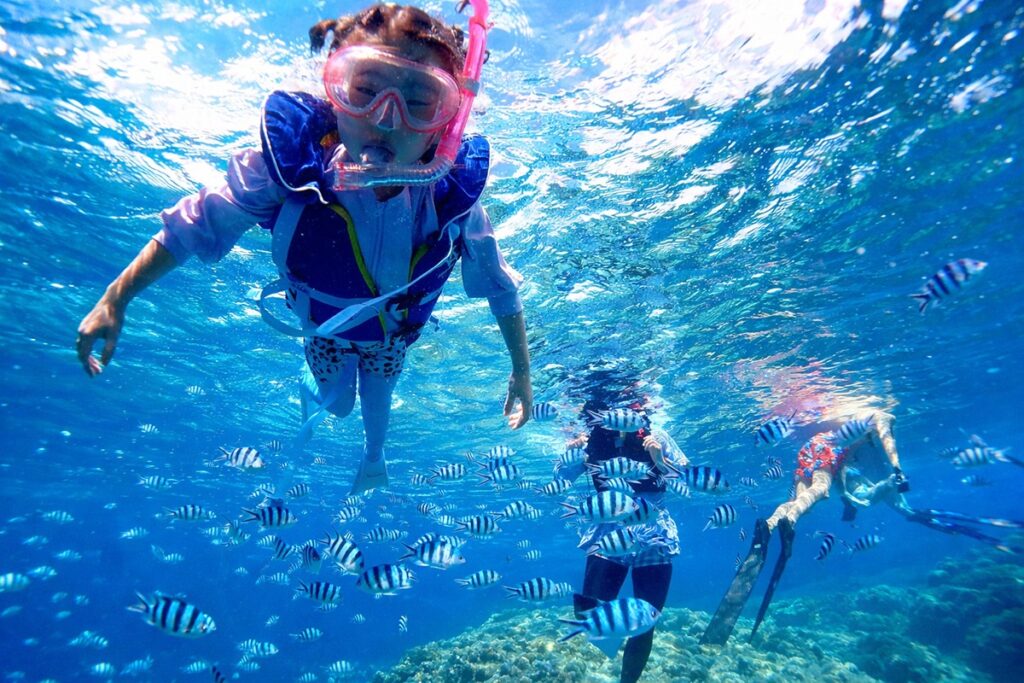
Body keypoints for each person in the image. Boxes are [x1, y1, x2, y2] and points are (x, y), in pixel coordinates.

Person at [74, 2, 532, 494]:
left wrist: (522, 371)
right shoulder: (289, 175)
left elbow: (500, 286)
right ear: (335, 95)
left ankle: (373, 459)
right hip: (323, 333)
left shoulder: (451, 203)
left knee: (378, 404)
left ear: (448, 122)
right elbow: (196, 223)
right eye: (365, 90)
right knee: (339, 405)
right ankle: (319, 394)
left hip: (390, 339)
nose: (385, 119)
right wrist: (117, 296)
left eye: (419, 101)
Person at [702, 409, 907, 646]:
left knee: (801, 501)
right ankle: (791, 519)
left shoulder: (851, 424)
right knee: (820, 489)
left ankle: (769, 524)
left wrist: (847, 496)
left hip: (810, 446)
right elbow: (886, 443)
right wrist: (898, 469)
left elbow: (842, 463)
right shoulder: (883, 417)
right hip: (827, 448)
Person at [567, 376, 687, 683]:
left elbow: (686, 477)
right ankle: (612, 635)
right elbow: (562, 477)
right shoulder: (589, 437)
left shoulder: (656, 434)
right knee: (588, 610)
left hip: (653, 533)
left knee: (646, 623)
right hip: (608, 531)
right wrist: (572, 456)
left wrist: (659, 459)